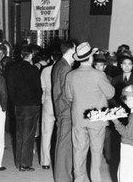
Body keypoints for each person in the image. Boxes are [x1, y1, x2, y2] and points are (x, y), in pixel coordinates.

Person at [64, 42, 115, 182]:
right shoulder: (99, 75)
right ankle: (96, 179)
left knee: (79, 151)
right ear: (90, 58)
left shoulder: (70, 75)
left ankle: (79, 179)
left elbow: (68, 96)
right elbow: (110, 93)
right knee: (96, 151)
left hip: (78, 118)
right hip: (97, 119)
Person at [7, 46, 42, 172]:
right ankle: (25, 163)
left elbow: (10, 88)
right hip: (31, 106)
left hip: (18, 106)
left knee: (19, 134)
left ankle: (18, 162)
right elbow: (38, 88)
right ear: (31, 55)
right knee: (29, 135)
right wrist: (37, 102)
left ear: (22, 55)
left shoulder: (13, 69)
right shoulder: (33, 70)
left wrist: (15, 102)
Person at [51, 41, 75, 182]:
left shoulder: (59, 64)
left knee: (62, 142)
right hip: (66, 110)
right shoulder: (66, 67)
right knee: (65, 145)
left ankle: (62, 176)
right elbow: (66, 92)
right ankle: (63, 178)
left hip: (60, 108)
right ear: (71, 50)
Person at [39, 50, 58, 170]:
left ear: (51, 57)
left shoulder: (46, 70)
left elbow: (43, 87)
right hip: (61, 102)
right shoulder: (66, 70)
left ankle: (45, 161)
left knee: (46, 132)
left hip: (48, 100)